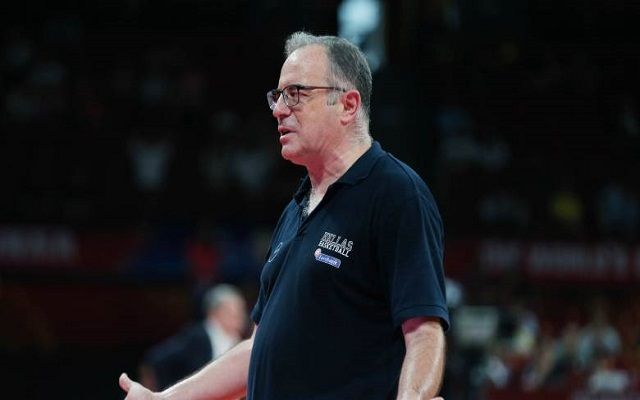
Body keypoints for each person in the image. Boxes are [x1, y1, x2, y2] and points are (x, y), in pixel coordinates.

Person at [119, 31, 449, 400]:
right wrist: (164, 399)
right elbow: (258, 350)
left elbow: (423, 329)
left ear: (348, 105)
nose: (278, 109)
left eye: (295, 94)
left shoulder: (395, 193)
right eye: (277, 96)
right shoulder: (296, 209)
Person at [139, 284, 248, 391]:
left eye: (241, 313)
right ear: (216, 312)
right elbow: (155, 358)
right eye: (235, 313)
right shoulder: (196, 337)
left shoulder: (238, 340)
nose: (241, 318)